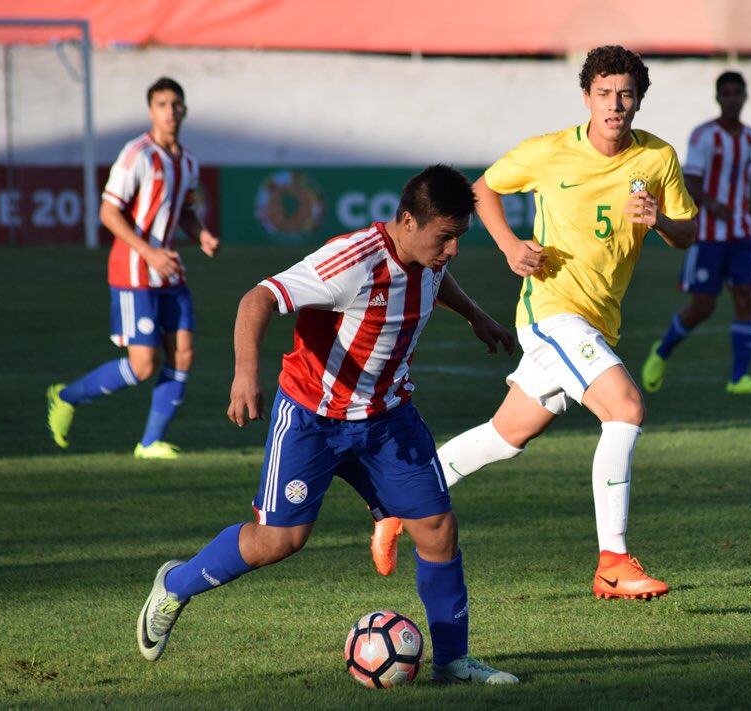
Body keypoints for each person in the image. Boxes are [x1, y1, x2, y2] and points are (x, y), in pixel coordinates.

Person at [136, 165, 519, 684]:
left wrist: (475, 315)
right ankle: (176, 584)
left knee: (437, 530)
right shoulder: (353, 261)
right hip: (313, 419)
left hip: (387, 418)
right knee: (281, 542)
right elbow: (259, 298)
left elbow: (435, 276)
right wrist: (245, 374)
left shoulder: (427, 256)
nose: (452, 250)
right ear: (407, 221)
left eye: (458, 238)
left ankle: (452, 662)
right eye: (445, 237)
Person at [369, 46, 697, 600]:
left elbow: (687, 232)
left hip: (598, 320)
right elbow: (484, 189)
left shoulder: (657, 158)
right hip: (552, 312)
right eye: (604, 94)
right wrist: (508, 245)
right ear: (587, 97)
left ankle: (396, 506)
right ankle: (612, 562)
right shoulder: (549, 153)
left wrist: (659, 219)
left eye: (625, 95)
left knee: (506, 436)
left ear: (639, 99)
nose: (614, 105)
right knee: (626, 409)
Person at [46, 77, 220, 459]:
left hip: (169, 269)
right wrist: (149, 252)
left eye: (176, 104)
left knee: (183, 354)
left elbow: (185, 210)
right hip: (134, 272)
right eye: (162, 104)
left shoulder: (187, 161)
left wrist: (202, 235)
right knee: (143, 365)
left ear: (184, 110)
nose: (170, 111)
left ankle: (150, 443)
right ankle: (66, 396)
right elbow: (108, 212)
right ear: (151, 110)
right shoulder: (136, 154)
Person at [641, 71, 751, 395]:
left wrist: (750, 221)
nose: (731, 98)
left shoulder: (750, 138)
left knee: (747, 297)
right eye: (726, 93)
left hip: (741, 233)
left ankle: (739, 378)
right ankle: (661, 351)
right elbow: (692, 179)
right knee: (703, 305)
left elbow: (748, 184)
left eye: (736, 93)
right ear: (718, 98)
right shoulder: (704, 136)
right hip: (709, 235)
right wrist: (712, 204)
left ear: (744, 97)